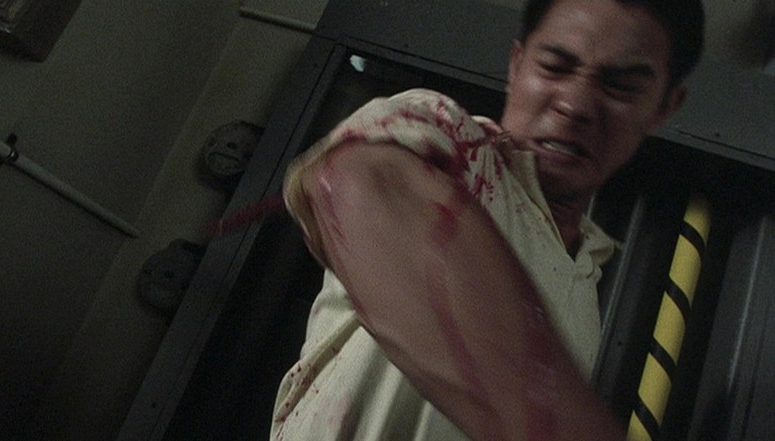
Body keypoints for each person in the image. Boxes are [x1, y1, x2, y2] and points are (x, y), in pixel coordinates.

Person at [271, 0, 704, 439]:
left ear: (664, 108)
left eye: (621, 87)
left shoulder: (586, 286)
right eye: (554, 67)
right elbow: (366, 182)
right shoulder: (452, 147)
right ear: (516, 65)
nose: (575, 105)